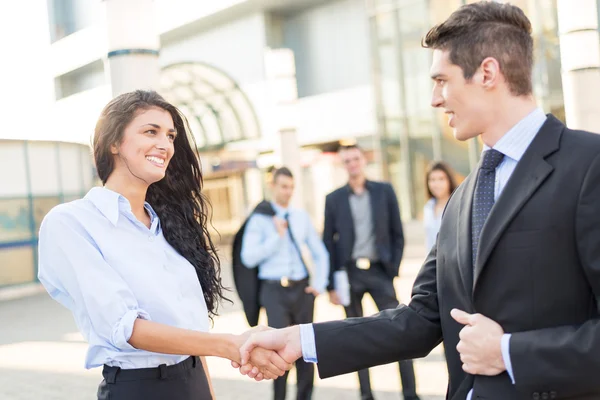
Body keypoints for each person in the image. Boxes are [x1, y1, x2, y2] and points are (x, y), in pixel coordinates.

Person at [236, 2, 600, 399]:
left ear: (487, 73)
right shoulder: (463, 197)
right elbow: (421, 318)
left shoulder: (588, 165)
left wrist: (509, 353)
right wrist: (300, 340)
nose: (434, 99)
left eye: (442, 80)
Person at [37, 90, 290, 400]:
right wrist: (233, 345)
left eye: (170, 135)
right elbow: (127, 328)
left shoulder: (169, 227)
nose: (165, 145)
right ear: (114, 142)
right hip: (139, 389)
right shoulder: (72, 222)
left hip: (193, 379)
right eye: (150, 132)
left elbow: (190, 336)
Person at [322, 144, 420, 400]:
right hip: (350, 274)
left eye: (356, 159)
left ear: (364, 160)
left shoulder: (384, 191)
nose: (352, 164)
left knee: (400, 331)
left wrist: (392, 269)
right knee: (355, 338)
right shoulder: (333, 199)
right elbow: (328, 243)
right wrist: (331, 284)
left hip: (379, 272)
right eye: (347, 161)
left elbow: (397, 232)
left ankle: (410, 394)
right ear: (343, 165)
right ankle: (366, 395)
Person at [240, 166, 329, 400]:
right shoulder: (259, 219)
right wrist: (275, 236)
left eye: (291, 187)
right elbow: (247, 257)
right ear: (273, 186)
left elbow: (320, 252)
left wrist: (319, 284)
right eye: (283, 186)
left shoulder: (300, 216)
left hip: (302, 289)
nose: (288, 192)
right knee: (278, 351)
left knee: (307, 350)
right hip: (273, 290)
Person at [423, 161, 457, 251]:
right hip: (433, 262)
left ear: (449, 180)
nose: (436, 184)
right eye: (432, 180)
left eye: (441, 179)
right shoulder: (428, 207)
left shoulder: (457, 205)